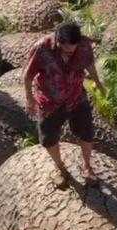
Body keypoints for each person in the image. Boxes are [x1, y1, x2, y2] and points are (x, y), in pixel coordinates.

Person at [24, 22, 106, 188]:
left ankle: (87, 167)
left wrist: (97, 81)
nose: (68, 54)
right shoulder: (41, 49)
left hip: (76, 96)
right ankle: (61, 168)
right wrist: (30, 99)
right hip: (49, 102)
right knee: (48, 138)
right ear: (57, 40)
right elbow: (27, 76)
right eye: (64, 50)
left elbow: (88, 63)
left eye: (72, 50)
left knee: (87, 132)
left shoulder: (83, 45)